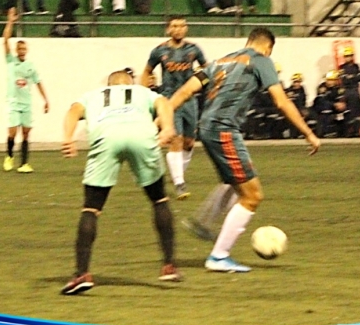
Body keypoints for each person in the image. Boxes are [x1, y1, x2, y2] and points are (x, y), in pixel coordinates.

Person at [169, 28, 321, 272]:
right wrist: (308, 133)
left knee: (234, 182)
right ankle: (219, 256)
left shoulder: (220, 61)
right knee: (252, 196)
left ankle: (205, 221)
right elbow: (281, 101)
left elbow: (186, 91)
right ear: (268, 47)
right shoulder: (261, 60)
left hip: (207, 127)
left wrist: (163, 119)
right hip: (223, 130)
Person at [60, 69, 179, 294]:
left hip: (106, 138)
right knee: (159, 199)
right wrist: (167, 127)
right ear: (130, 83)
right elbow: (163, 102)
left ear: (108, 85)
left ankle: (81, 274)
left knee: (91, 208)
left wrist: (68, 138)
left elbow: (73, 110)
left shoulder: (92, 95)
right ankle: (169, 266)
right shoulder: (142, 92)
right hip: (141, 136)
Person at [140, 16, 206, 199]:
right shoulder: (159, 51)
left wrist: (203, 84)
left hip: (190, 99)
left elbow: (206, 69)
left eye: (182, 25)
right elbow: (147, 71)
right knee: (176, 139)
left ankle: (178, 174)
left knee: (189, 142)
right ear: (168, 29)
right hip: (169, 99)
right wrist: (144, 93)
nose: (179, 29)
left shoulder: (194, 49)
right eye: (175, 26)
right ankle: (179, 183)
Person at [2, 10, 50, 174]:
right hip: (13, 102)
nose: (22, 51)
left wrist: (46, 100)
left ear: (26, 50)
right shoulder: (11, 61)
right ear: (16, 50)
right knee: (12, 132)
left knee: (26, 133)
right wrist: (10, 22)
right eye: (20, 49)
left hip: (26, 103)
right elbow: (5, 40)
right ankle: (9, 156)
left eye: (24, 49)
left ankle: (24, 163)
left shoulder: (30, 66)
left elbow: (38, 82)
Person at [339, 47, 360, 137]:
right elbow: (344, 80)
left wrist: (351, 77)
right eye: (346, 56)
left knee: (357, 111)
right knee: (348, 112)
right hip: (347, 92)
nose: (348, 58)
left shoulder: (356, 66)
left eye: (349, 56)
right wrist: (353, 77)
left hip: (355, 91)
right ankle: (349, 131)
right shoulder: (342, 67)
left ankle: (357, 131)